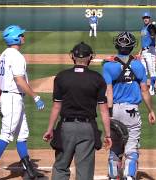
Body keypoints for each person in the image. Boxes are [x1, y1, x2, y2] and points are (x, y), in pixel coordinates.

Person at [0, 25, 45, 180]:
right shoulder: (16, 56)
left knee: (22, 135)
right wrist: (36, 97)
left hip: (10, 98)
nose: (24, 36)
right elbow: (19, 81)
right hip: (13, 99)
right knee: (6, 135)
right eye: (22, 34)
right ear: (16, 37)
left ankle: (28, 171)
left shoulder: (3, 55)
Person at [42, 42, 112, 180]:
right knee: (85, 171)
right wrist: (108, 135)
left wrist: (50, 129)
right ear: (90, 57)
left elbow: (56, 106)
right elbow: (104, 111)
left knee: (61, 167)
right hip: (87, 129)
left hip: (65, 128)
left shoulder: (61, 77)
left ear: (73, 56)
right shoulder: (97, 78)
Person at [102, 32, 156, 180]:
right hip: (131, 111)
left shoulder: (108, 66)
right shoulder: (139, 65)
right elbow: (145, 90)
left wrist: (110, 114)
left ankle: (114, 176)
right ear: (133, 46)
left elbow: (109, 92)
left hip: (115, 110)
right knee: (132, 148)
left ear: (116, 46)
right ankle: (130, 176)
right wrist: (151, 110)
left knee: (114, 147)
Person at [137, 12, 156, 96]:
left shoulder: (150, 27)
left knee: (151, 70)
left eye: (147, 17)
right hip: (144, 52)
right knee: (143, 71)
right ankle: (144, 88)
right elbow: (143, 41)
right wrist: (140, 52)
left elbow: (153, 35)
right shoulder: (143, 28)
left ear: (149, 18)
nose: (146, 19)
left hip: (150, 51)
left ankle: (152, 89)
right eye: (144, 17)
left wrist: (153, 35)